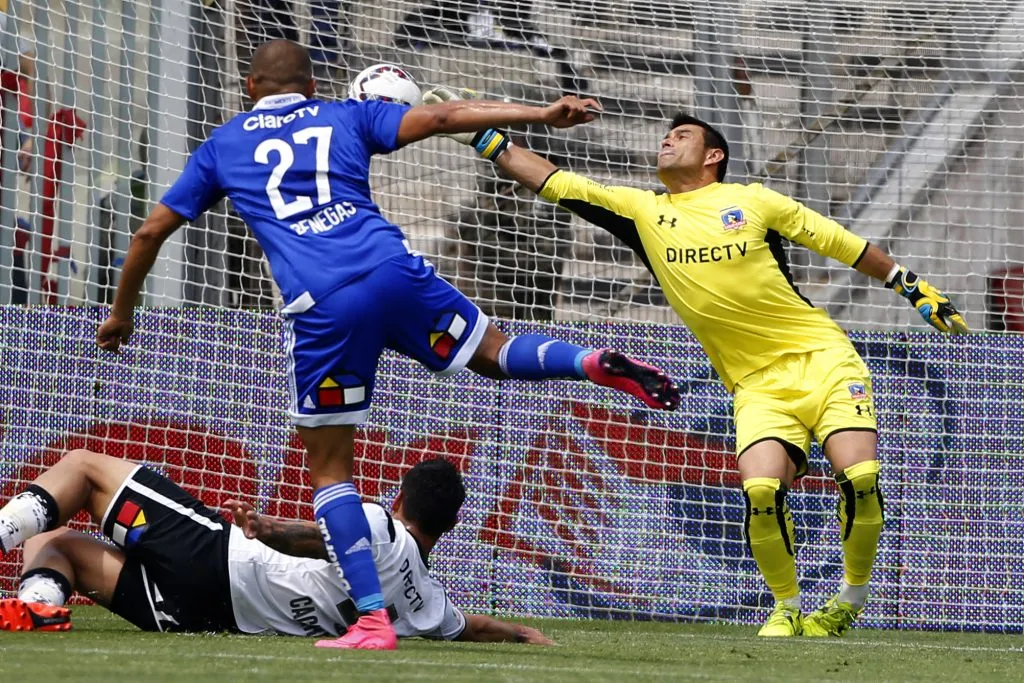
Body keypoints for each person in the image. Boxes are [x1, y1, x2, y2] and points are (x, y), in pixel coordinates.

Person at [95, 40, 678, 650]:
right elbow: (446, 116)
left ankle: (372, 619)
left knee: (331, 474)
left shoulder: (224, 145)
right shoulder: (347, 115)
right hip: (394, 273)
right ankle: (590, 361)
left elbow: (149, 233)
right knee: (497, 354)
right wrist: (543, 113)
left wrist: (121, 314)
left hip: (326, 307)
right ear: (312, 86)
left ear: (249, 87)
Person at [423, 87, 969, 637]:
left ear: (714, 156)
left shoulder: (754, 201)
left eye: (682, 135)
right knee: (761, 493)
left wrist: (911, 286)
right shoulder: (644, 210)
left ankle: (850, 597)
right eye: (666, 135)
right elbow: (555, 182)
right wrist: (480, 133)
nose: (667, 140)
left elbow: (840, 243)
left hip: (823, 359)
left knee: (860, 479)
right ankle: (786, 606)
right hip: (755, 384)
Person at [0, 449, 553, 645]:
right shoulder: (427, 602)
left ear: (400, 497)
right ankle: (39, 605)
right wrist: (523, 634)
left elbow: (319, 540)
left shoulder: (380, 525)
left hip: (217, 558)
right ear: (451, 526)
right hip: (200, 617)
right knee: (55, 542)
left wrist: (267, 529)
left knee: (83, 469)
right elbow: (472, 627)